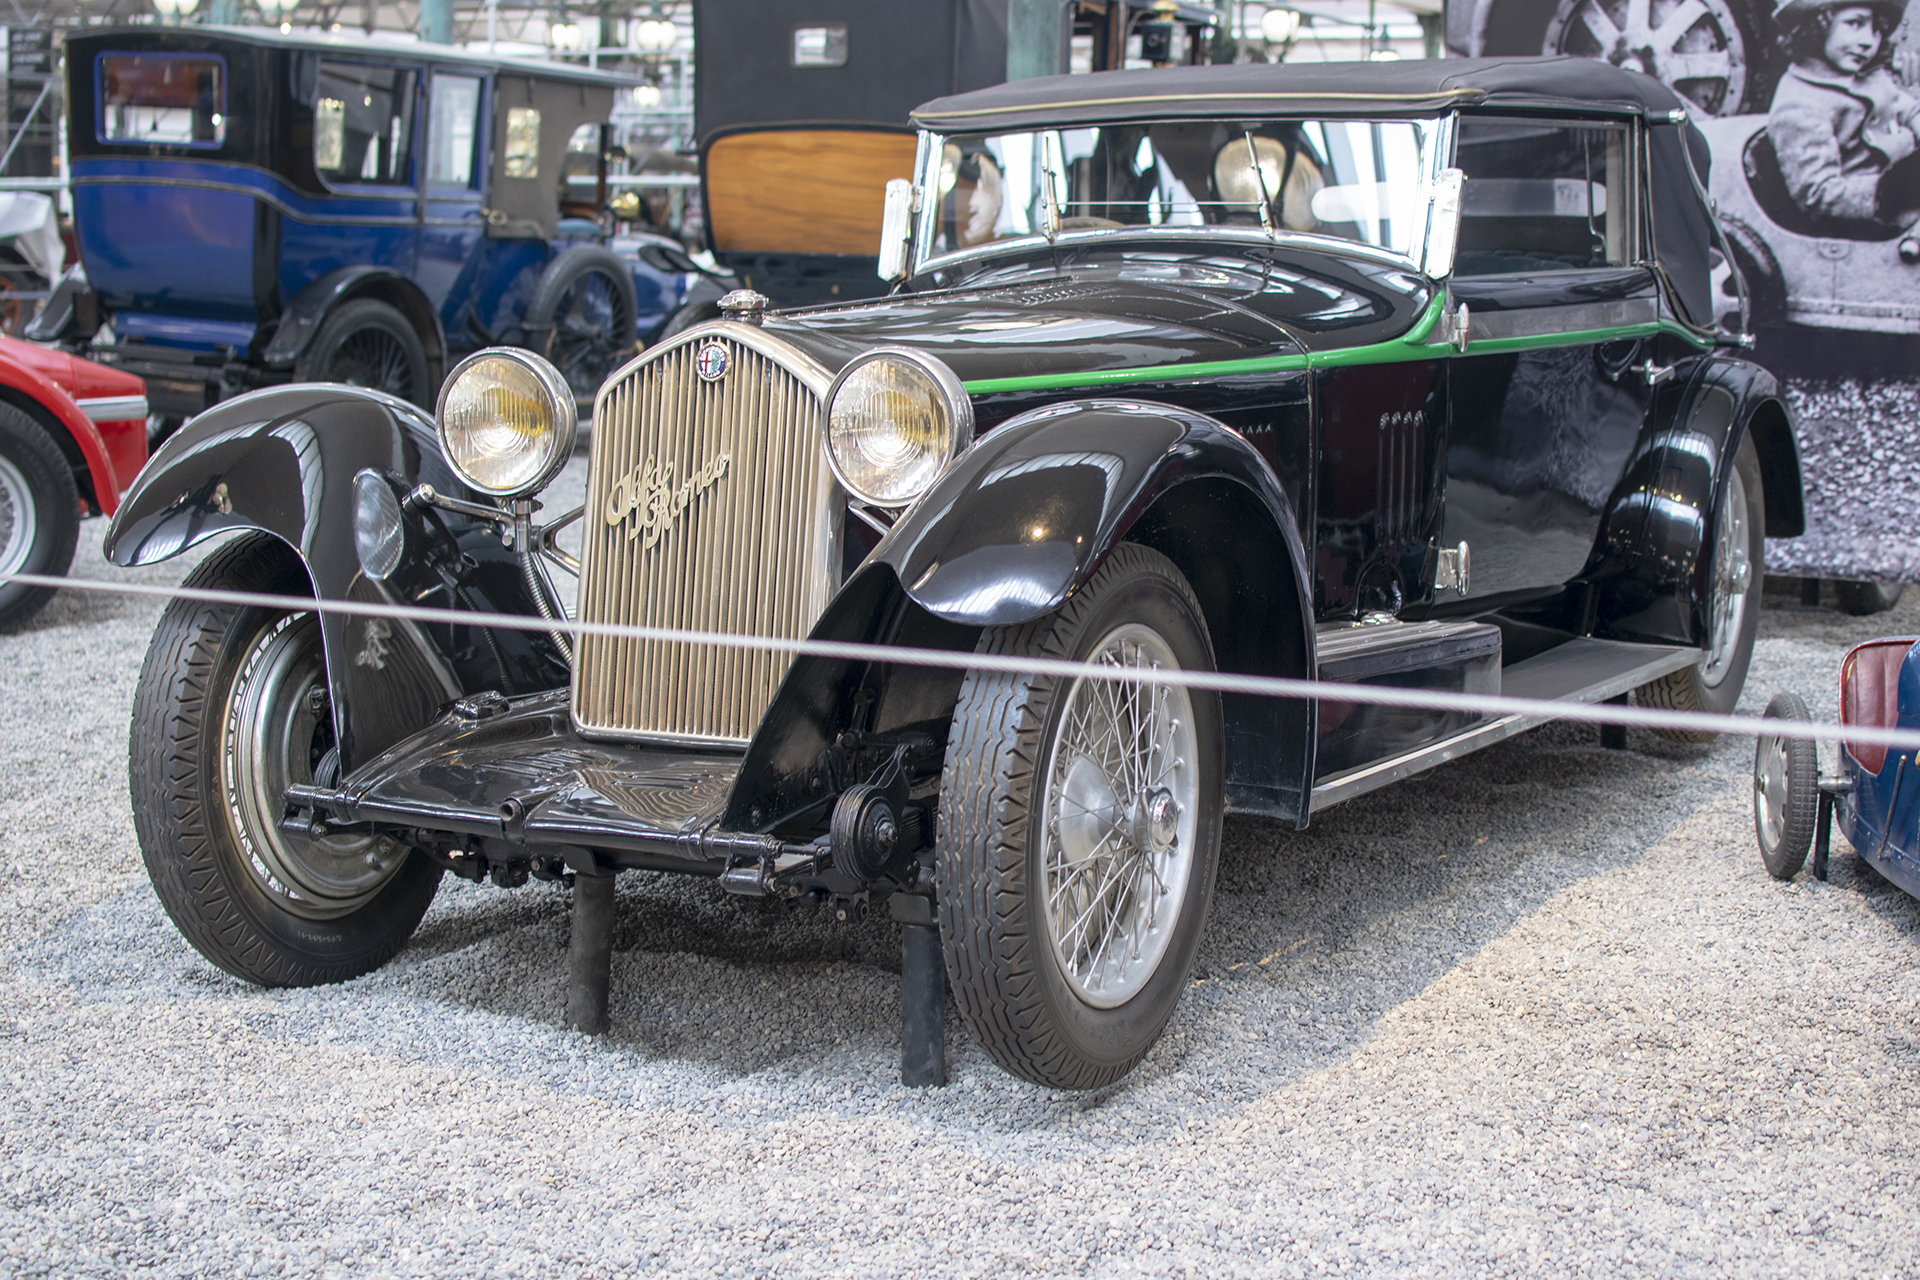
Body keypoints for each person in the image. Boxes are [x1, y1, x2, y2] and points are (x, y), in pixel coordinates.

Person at [1767, 0, 1920, 230]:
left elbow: (1908, 110)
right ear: (1817, 26)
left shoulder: (1868, 76)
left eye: (1876, 29)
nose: (1868, 41)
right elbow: (1819, 195)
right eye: (1854, 23)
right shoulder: (1800, 104)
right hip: (1868, 218)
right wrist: (1892, 189)